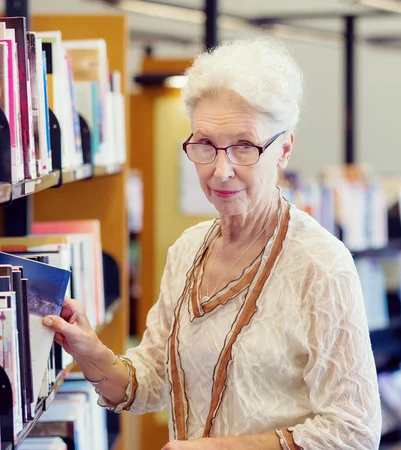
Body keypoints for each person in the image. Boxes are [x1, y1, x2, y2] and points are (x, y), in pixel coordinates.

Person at [43, 37, 381, 450]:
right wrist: (90, 350)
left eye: (244, 147)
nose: (221, 171)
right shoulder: (187, 251)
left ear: (284, 150)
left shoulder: (321, 264)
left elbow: (355, 431)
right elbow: (152, 380)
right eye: (205, 145)